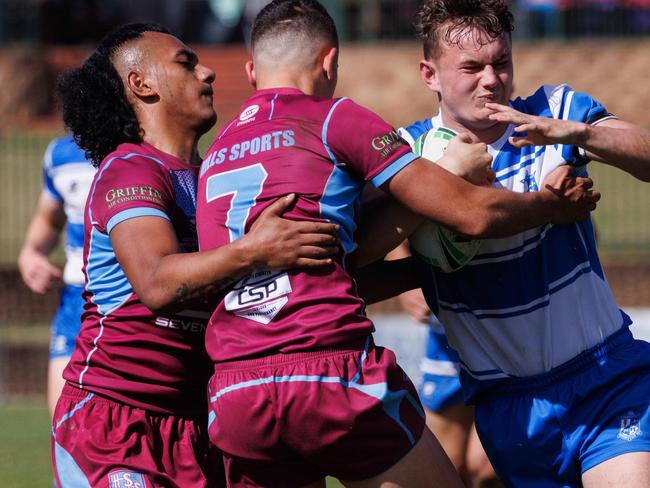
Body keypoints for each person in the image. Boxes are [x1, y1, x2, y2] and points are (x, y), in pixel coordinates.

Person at [195, 1, 599, 486]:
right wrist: (551, 207)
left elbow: (333, 269)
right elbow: (468, 212)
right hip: (326, 371)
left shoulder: (215, 154)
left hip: (234, 389)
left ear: (251, 71)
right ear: (330, 61)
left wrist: (422, 271)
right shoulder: (335, 118)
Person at [52, 22, 339, 487]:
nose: (207, 73)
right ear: (140, 84)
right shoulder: (129, 169)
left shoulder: (212, 179)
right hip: (116, 424)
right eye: (186, 64)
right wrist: (254, 248)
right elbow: (159, 284)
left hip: (204, 423)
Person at [398, 1, 650, 486]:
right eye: (471, 67)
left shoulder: (555, 111)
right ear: (429, 74)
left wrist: (580, 133)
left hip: (606, 378)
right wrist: (406, 258)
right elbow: (377, 230)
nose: (492, 80)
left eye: (502, 62)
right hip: (512, 405)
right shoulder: (409, 155)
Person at [386, 243, 499, 488]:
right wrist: (409, 281)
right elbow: (398, 229)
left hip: (508, 328)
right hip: (447, 335)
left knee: (486, 467)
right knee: (448, 467)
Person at [18, 136, 95, 418]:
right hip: (76, 299)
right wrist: (31, 253)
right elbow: (49, 217)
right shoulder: (61, 154)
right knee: (65, 425)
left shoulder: (146, 146)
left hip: (132, 299)